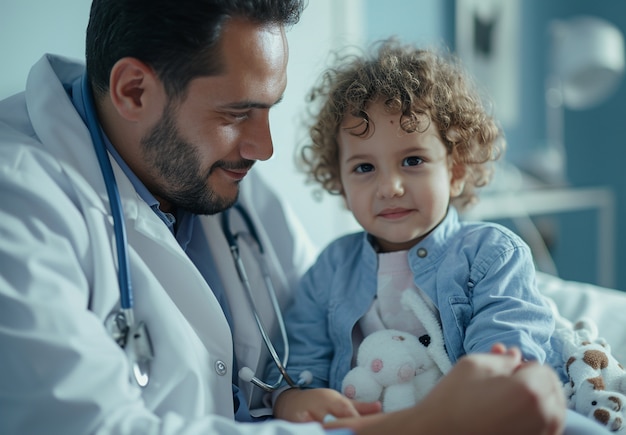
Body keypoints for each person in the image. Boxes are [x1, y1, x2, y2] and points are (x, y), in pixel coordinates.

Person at [0, 1, 569, 434]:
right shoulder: (21, 205)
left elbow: (298, 341)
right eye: (237, 112)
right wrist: (422, 425)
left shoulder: (221, 177)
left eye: (268, 110)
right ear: (133, 89)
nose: (264, 148)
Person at [267, 39, 567, 422]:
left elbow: (506, 362)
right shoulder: (330, 269)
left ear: (455, 171)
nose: (389, 186)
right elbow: (299, 365)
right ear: (340, 184)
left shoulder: (492, 254)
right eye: (364, 168)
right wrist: (295, 397)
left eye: (412, 160)